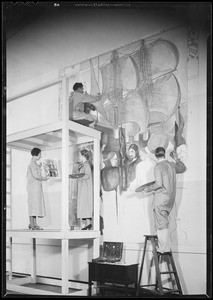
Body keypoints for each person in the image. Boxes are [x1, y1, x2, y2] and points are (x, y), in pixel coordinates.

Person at [143, 147, 186, 253]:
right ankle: (165, 246)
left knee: (161, 222)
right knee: (164, 221)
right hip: (170, 198)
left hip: (161, 198)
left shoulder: (158, 167)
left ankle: (163, 248)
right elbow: (182, 168)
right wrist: (176, 159)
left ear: (155, 155)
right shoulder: (171, 165)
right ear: (164, 154)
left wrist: (147, 189)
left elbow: (158, 184)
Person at [27, 148, 50, 230]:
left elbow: (36, 172)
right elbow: (36, 175)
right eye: (40, 154)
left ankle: (34, 224)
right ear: (35, 155)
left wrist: (40, 166)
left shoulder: (34, 163)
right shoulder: (32, 164)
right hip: (34, 188)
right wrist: (44, 178)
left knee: (35, 206)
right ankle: (32, 224)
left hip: (35, 187)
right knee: (33, 206)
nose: (40, 156)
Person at [76, 149, 93, 230]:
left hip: (85, 188)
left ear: (83, 156)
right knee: (84, 205)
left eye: (80, 155)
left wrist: (79, 177)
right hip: (84, 187)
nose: (79, 157)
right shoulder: (84, 164)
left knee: (85, 205)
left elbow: (87, 175)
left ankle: (88, 223)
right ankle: (88, 224)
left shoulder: (86, 164)